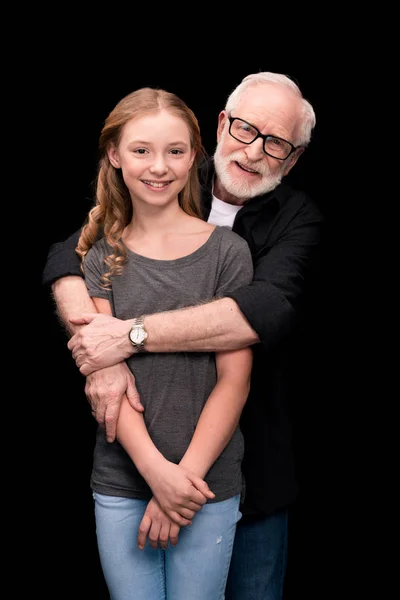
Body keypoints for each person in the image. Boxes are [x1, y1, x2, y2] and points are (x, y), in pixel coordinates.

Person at [43, 72, 325, 600]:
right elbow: (74, 251)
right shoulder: (167, 171)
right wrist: (99, 356)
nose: (254, 151)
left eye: (276, 143)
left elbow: (260, 312)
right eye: (245, 130)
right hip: (132, 460)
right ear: (220, 126)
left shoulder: (296, 219)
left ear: (292, 159)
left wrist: (126, 336)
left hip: (247, 461)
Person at [52, 86, 254, 599]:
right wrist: (154, 474)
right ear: (115, 156)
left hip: (203, 485)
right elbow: (108, 378)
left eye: (175, 150)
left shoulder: (227, 252)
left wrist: (180, 483)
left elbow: (234, 380)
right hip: (123, 481)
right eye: (141, 150)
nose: (158, 166)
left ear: (194, 158)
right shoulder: (100, 256)